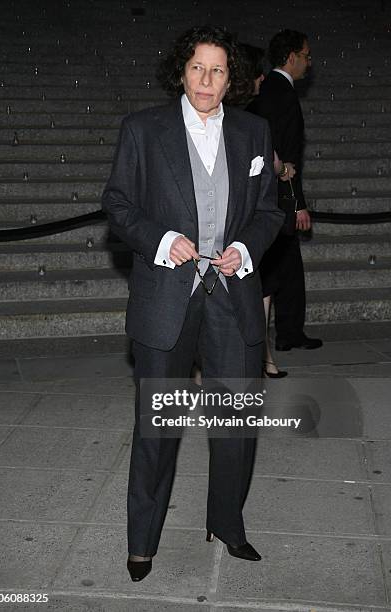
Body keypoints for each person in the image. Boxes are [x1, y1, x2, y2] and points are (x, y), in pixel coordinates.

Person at [102, 25, 284, 582]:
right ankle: (142, 541)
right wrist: (160, 240)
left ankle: (227, 524)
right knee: (157, 428)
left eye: (218, 70)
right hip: (167, 299)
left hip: (233, 297)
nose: (206, 80)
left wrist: (244, 247)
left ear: (233, 79)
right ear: (182, 71)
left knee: (236, 426)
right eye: (197, 68)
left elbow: (270, 210)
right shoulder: (143, 129)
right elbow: (118, 201)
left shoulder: (255, 132)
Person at [247, 30, 323, 352]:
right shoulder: (284, 94)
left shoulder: (265, 92)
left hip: (265, 195)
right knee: (281, 267)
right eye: (305, 55)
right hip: (279, 198)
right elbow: (287, 156)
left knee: (285, 267)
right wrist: (297, 205)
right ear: (290, 57)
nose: (309, 61)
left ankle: (289, 332)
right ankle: (287, 334)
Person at [239, 44, 295, 376]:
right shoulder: (251, 114)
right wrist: (284, 170)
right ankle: (264, 359)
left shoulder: (239, 110)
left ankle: (264, 357)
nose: (262, 81)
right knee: (261, 287)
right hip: (252, 216)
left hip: (248, 215)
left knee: (261, 287)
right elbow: (267, 162)